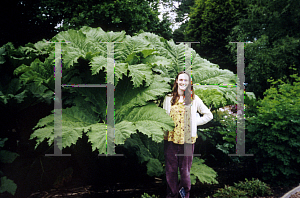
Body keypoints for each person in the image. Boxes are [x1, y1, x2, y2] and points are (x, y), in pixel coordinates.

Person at [163, 71, 213, 198]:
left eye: (186, 80)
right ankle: (173, 194)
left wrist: (194, 122)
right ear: (176, 81)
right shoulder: (168, 98)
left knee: (185, 171)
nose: (183, 83)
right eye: (181, 80)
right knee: (171, 170)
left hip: (187, 140)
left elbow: (208, 115)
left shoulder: (194, 99)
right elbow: (164, 117)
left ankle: (184, 195)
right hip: (171, 139)